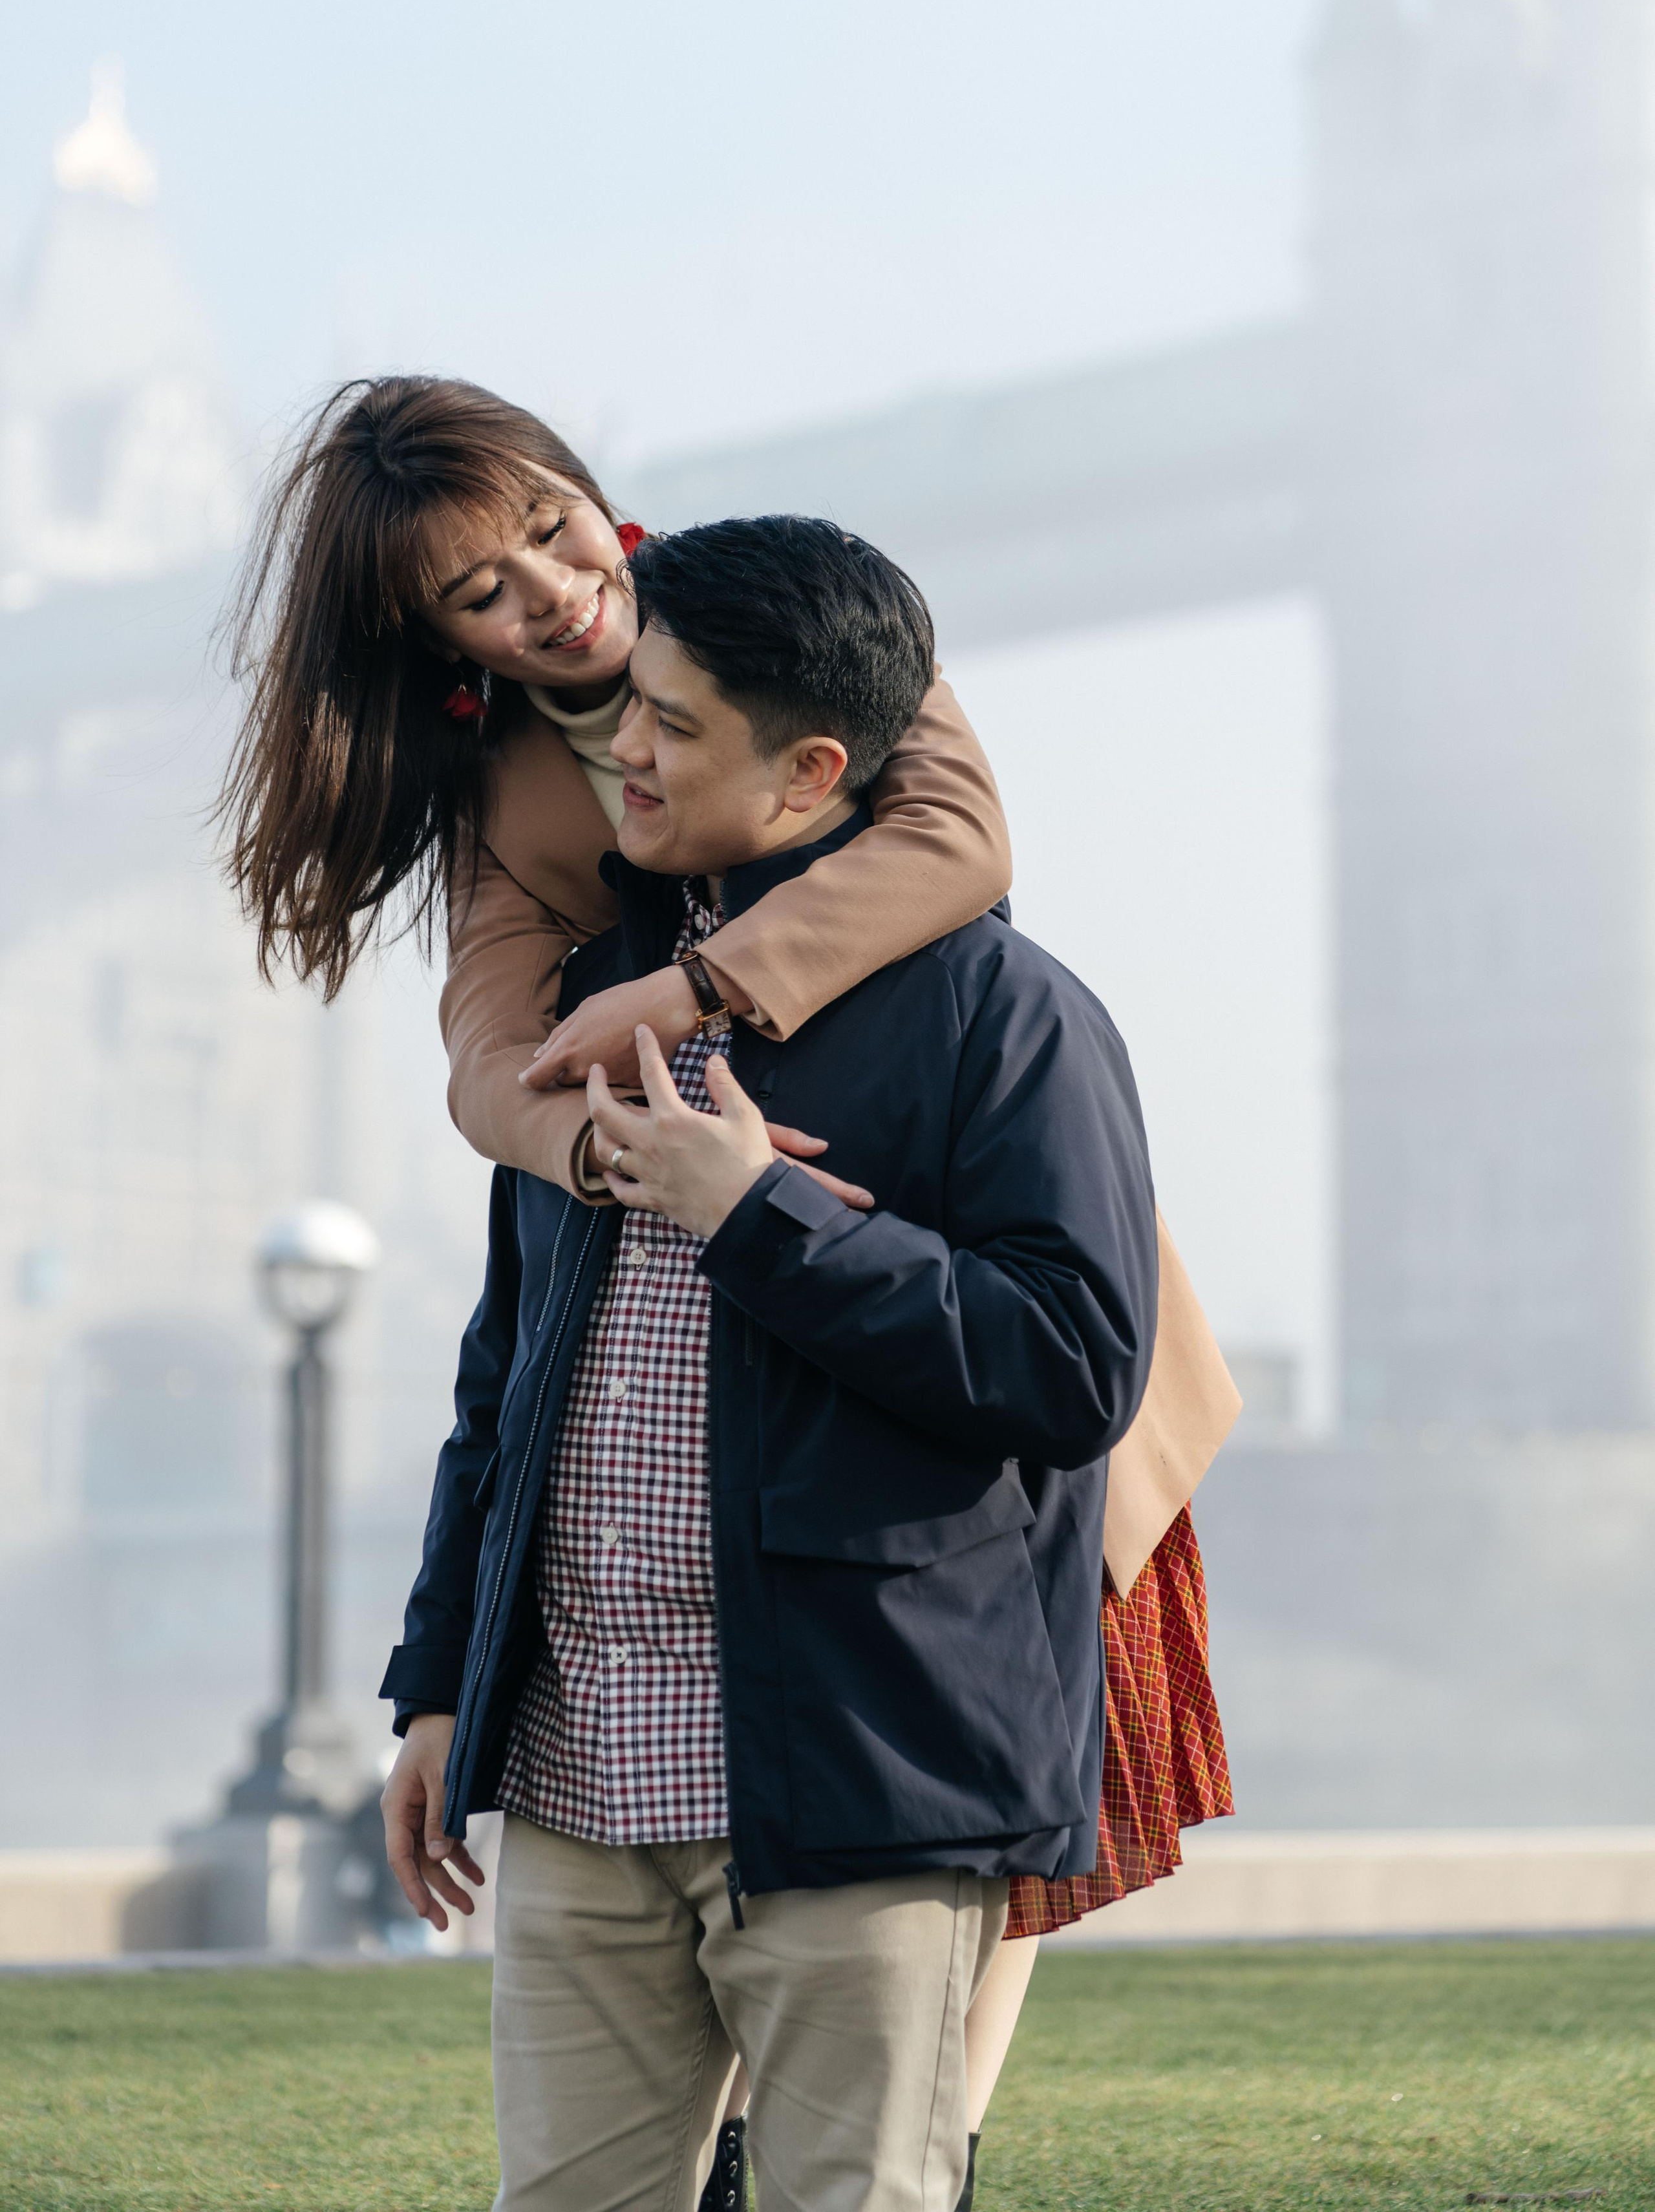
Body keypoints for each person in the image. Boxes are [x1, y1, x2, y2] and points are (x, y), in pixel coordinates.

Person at [219, 376, 1237, 2197]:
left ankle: (902, 2133)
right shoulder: (508, 817)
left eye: (550, 521)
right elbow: (491, 1119)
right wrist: (620, 1146)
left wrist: (693, 1046)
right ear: (430, 642)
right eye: (480, 590)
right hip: (665, 1480)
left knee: (993, 1818)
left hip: (938, 1337)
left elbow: (960, 845)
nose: (552, 591)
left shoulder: (782, 617)